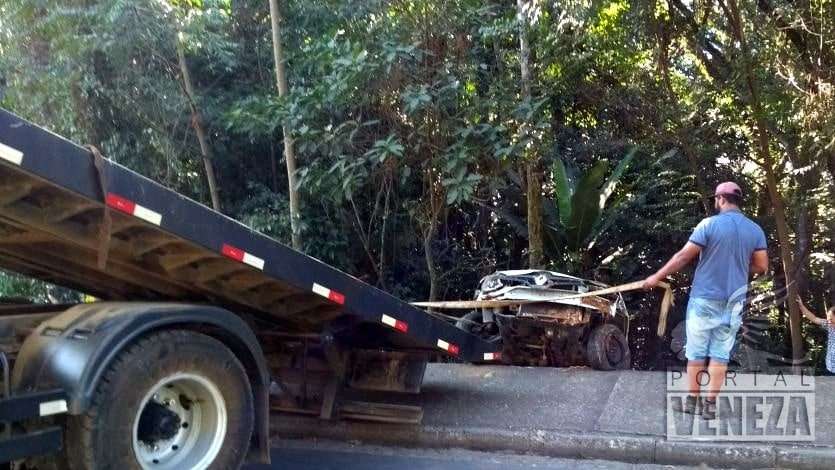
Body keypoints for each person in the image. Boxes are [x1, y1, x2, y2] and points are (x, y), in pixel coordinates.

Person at [643, 182, 768, 419]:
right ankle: (710, 407)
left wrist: (656, 277)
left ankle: (692, 403)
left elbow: (683, 257)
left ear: (721, 199)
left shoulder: (708, 225)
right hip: (734, 301)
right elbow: (762, 266)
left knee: (697, 353)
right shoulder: (755, 230)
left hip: (704, 299)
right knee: (720, 354)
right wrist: (740, 266)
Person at [796, 296, 835, 374]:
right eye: (827, 318)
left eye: (830, 318)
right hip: (830, 367)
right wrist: (801, 305)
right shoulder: (829, 325)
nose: (828, 320)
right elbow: (814, 318)